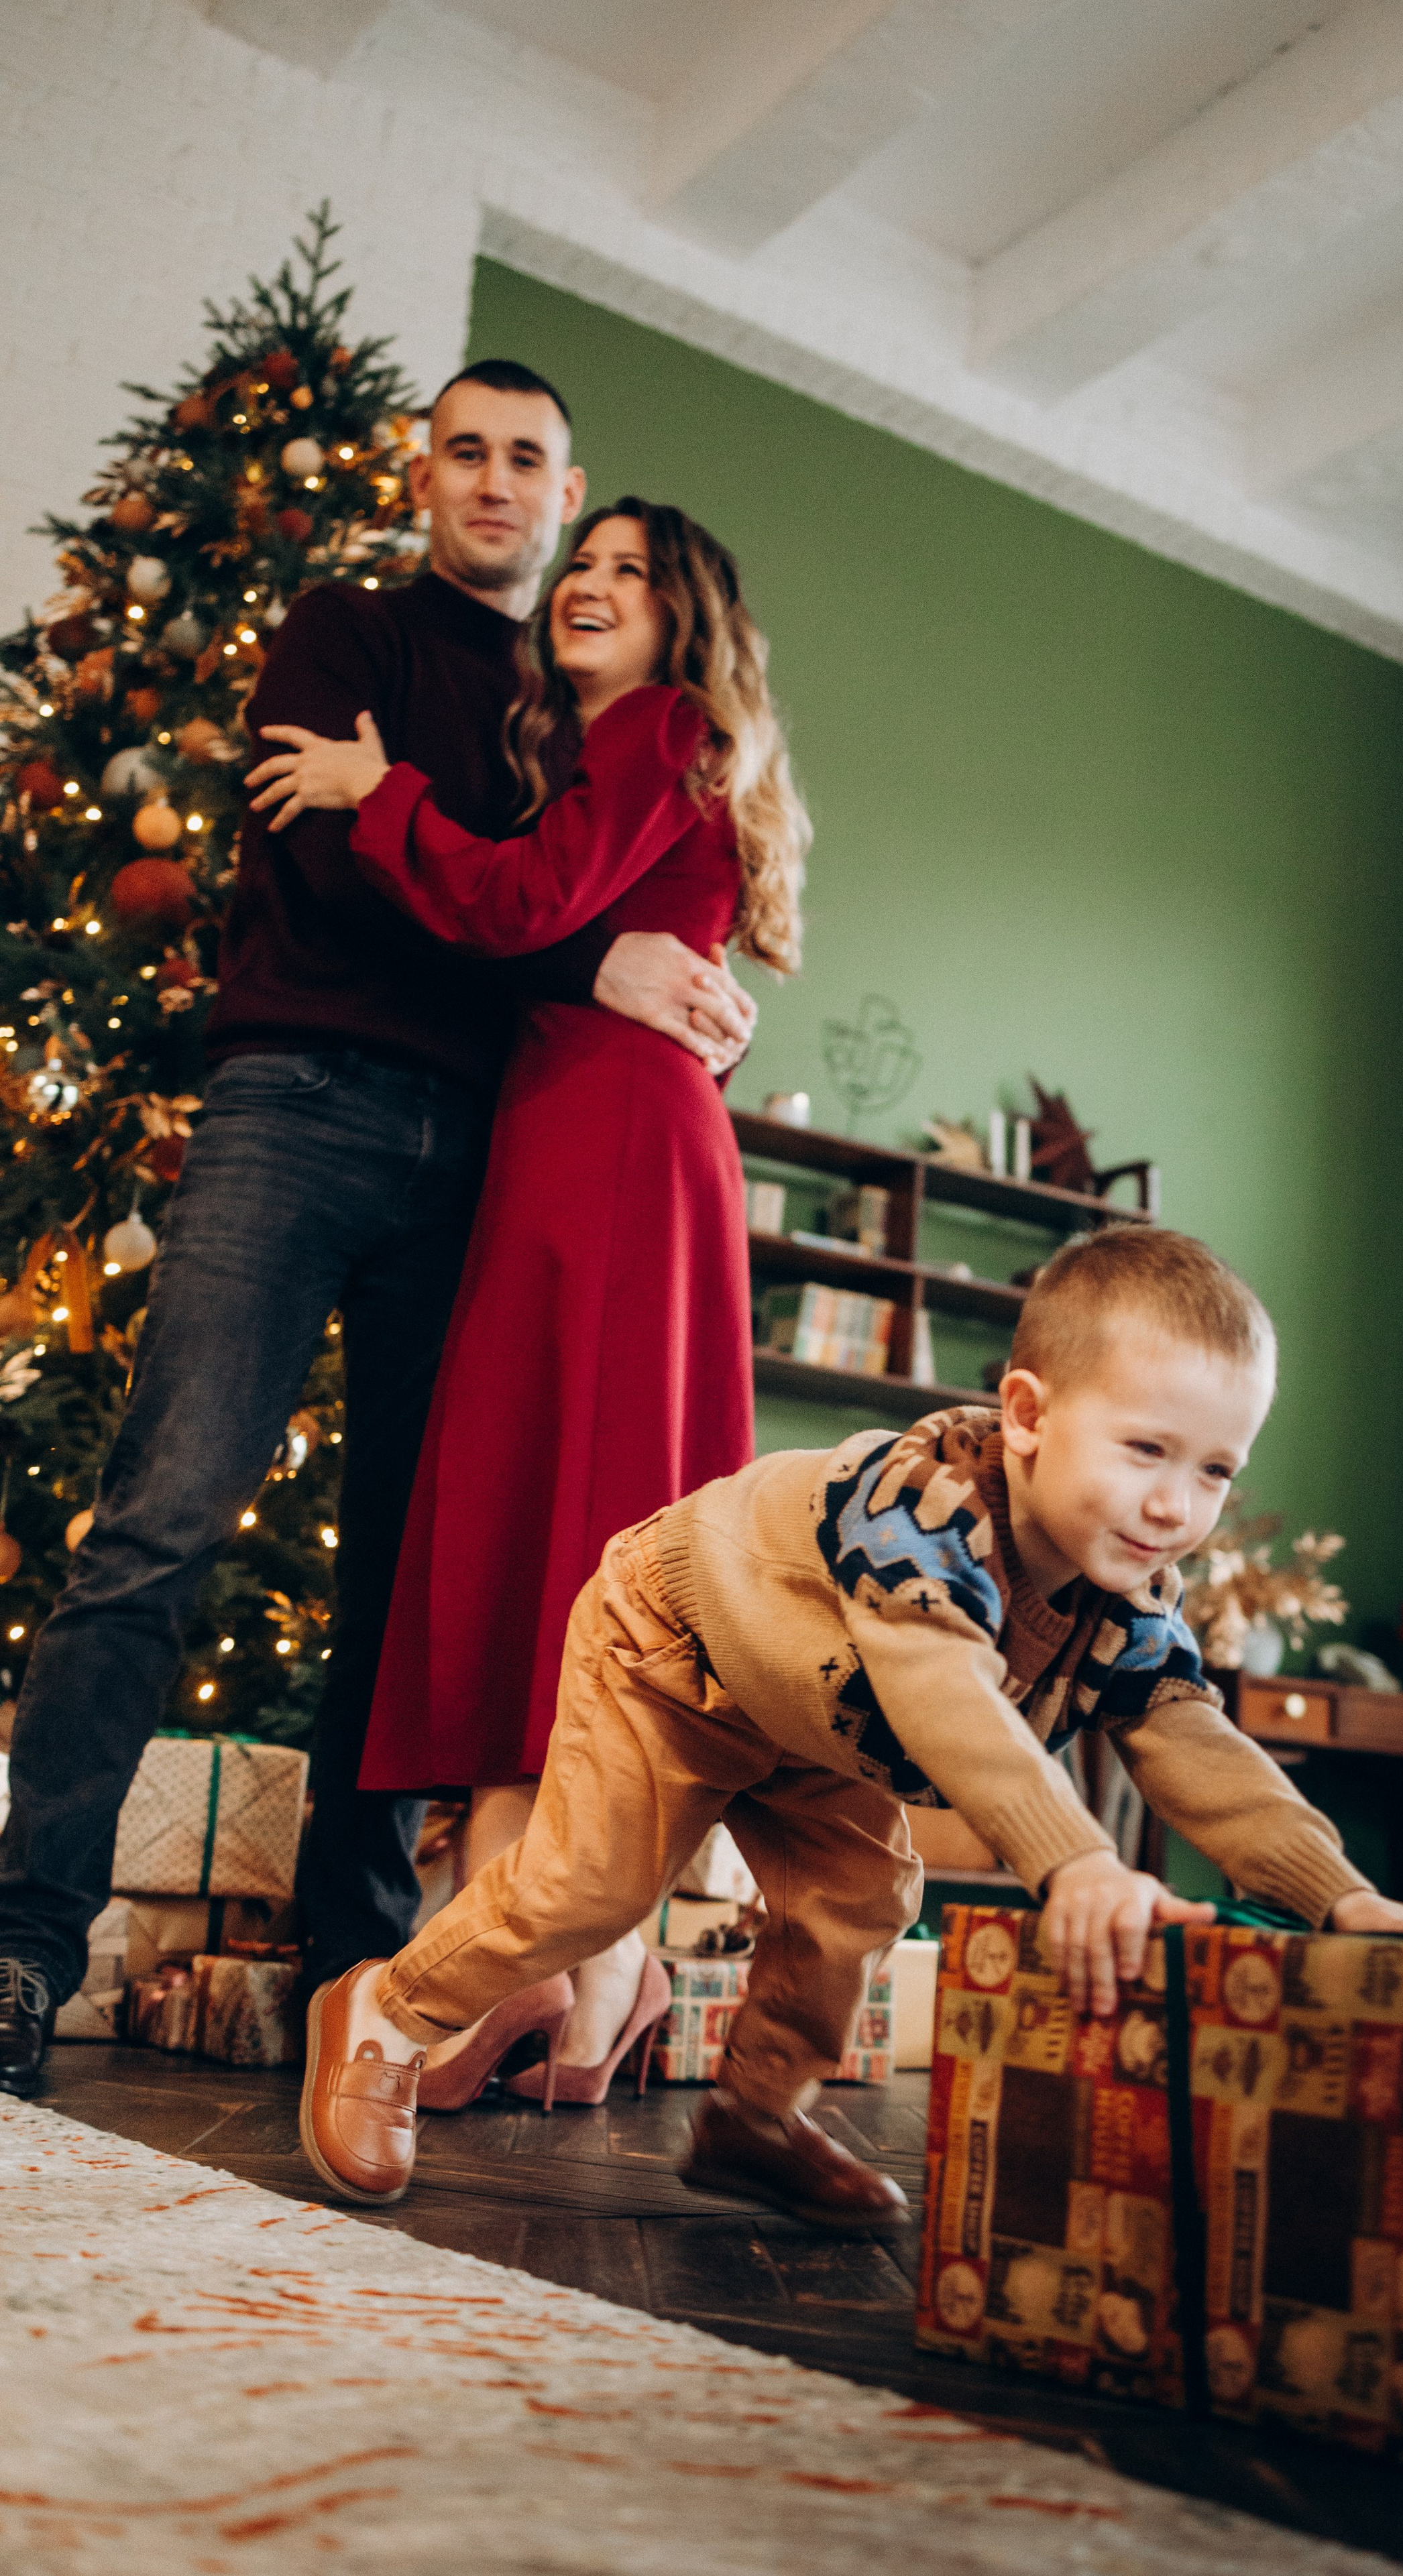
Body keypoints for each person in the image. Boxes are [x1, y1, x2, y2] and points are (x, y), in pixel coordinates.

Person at [0, 361, 756, 2096]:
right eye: (468, 453)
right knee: (163, 1520)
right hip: (300, 1104)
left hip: (489, 1157)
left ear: (568, 493)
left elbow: (587, 872)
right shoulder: (343, 635)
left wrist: (655, 963)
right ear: (425, 476)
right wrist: (594, 962)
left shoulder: (585, 698)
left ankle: (362, 1981)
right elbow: (344, 870)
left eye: (530, 462)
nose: (499, 486)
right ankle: (29, 1950)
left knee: (408, 1585)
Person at [297, 1224, 1403, 2223]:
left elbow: (1191, 1734)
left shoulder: (1127, 1590)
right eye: (1146, 1451)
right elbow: (939, 1686)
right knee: (594, 1884)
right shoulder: (926, 1498)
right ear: (1025, 1412)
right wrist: (1070, 1859)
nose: (1178, 1504)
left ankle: (753, 2119)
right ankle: (386, 2010)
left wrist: (1340, 1896)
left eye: (1218, 1471)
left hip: (816, 1725)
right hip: (677, 1645)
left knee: (862, 1899)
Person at [247, 497, 807, 2099]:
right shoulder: (610, 750)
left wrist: (375, 789)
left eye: (631, 572)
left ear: (683, 620)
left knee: (572, 1552)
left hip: (610, 1153)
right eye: (588, 563)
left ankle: (556, 1967)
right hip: (580, 1137)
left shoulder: (658, 725)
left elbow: (515, 904)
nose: (592, 583)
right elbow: (561, 920)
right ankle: (566, 1970)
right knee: (552, 1557)